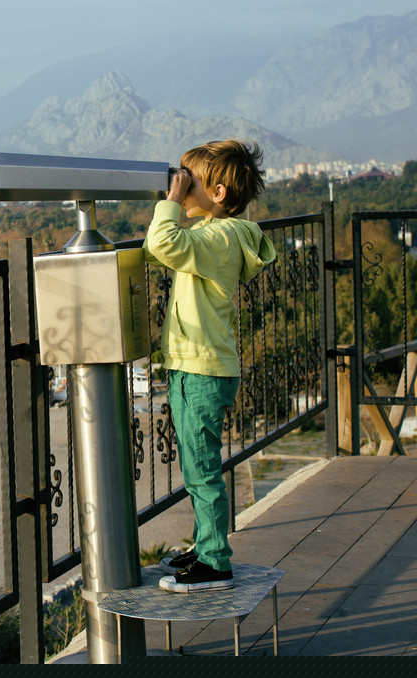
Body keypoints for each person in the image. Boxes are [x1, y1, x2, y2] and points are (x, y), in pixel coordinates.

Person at [143, 139, 276, 593]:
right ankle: (205, 546)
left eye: (189, 178)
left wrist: (171, 203)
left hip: (201, 369)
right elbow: (161, 247)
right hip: (194, 366)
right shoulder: (213, 236)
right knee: (197, 464)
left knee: (201, 469)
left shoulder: (216, 238)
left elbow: (163, 242)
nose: (180, 185)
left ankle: (216, 563)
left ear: (216, 194)